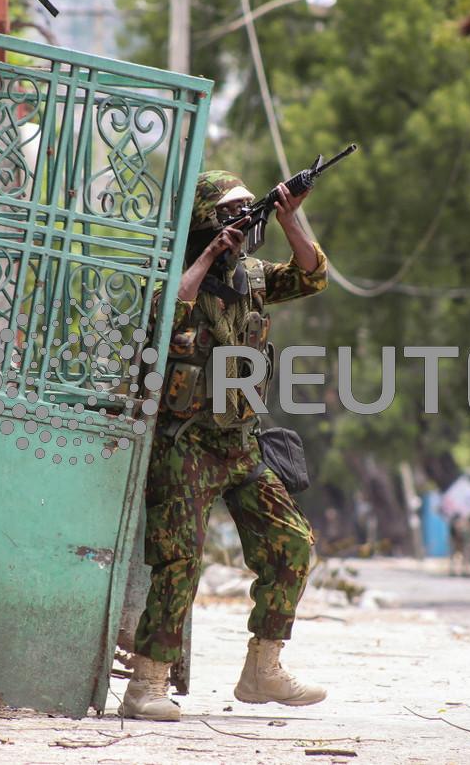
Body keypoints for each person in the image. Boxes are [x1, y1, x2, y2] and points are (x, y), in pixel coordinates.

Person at [119, 171, 329, 722]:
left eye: (248, 209)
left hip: (241, 443)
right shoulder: (178, 275)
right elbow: (169, 314)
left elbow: (311, 277)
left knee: (294, 545)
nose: (243, 219)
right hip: (185, 445)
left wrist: (289, 217)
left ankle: (263, 670)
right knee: (178, 562)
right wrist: (209, 255)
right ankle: (147, 685)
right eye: (231, 211)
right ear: (207, 220)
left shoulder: (254, 278)